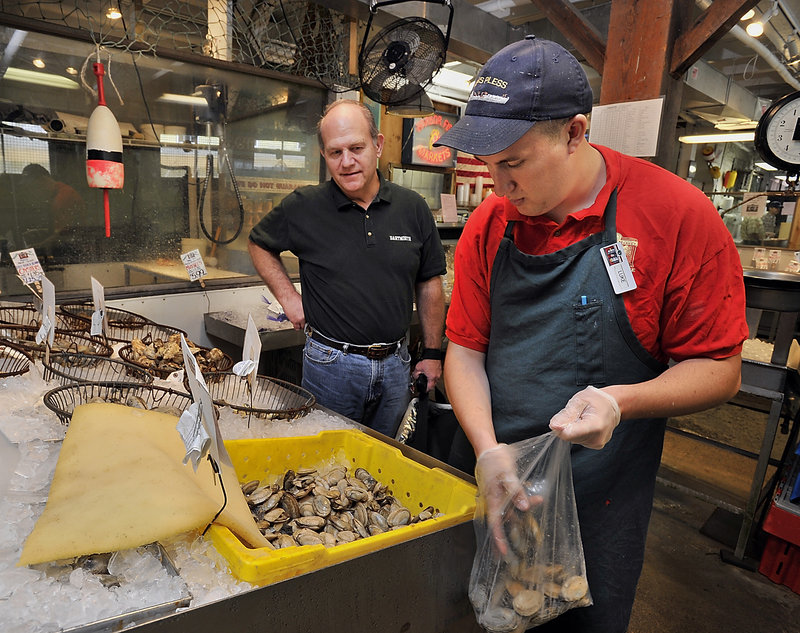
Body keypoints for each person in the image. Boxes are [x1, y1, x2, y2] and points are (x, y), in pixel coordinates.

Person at [433, 36, 748, 633]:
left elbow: (719, 368)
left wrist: (619, 398)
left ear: (576, 132)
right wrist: (488, 449)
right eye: (487, 166)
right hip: (496, 475)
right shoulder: (490, 224)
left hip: (598, 499)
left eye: (514, 162)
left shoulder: (674, 216)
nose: (498, 186)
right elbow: (467, 350)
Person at [248, 99, 446, 436]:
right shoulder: (305, 206)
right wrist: (289, 298)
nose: (347, 162)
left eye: (356, 148)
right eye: (335, 152)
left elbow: (429, 283)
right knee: (326, 465)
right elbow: (259, 243)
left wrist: (431, 352)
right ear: (324, 156)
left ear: (378, 144)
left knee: (385, 463)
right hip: (330, 367)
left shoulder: (412, 208)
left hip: (396, 367)